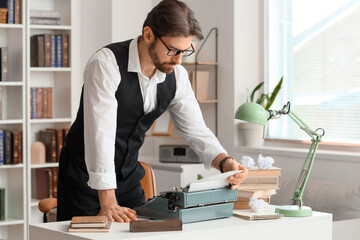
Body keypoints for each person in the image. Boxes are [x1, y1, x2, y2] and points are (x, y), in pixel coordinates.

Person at [57, 0, 248, 222]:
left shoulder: (176, 75)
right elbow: (101, 135)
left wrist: (225, 162)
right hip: (84, 178)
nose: (178, 60)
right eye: (172, 50)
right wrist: (108, 201)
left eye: (184, 51)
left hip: (128, 179)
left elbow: (196, 129)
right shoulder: (106, 64)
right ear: (148, 34)